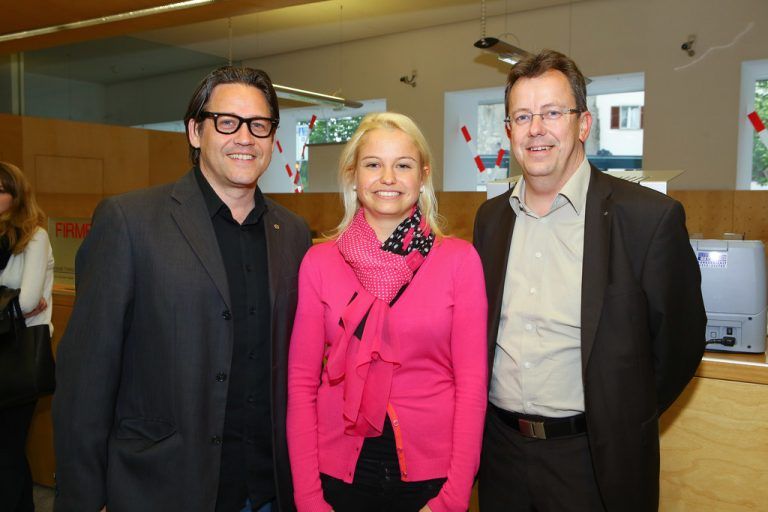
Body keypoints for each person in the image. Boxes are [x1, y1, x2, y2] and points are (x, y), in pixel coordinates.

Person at [53, 67, 312, 512]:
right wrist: (82, 497)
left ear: (273, 137)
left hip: (268, 487)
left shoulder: (293, 233)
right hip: (160, 486)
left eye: (259, 125)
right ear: (195, 131)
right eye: (226, 122)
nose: (245, 138)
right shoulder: (130, 222)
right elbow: (86, 382)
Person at [473, 50, 706, 512]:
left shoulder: (647, 219)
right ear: (509, 131)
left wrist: (620, 413)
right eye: (522, 116)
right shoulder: (489, 219)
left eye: (552, 112)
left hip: (593, 461)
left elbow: (679, 345)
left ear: (583, 124)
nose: (536, 128)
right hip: (499, 453)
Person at [286, 112, 487, 512]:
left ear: (423, 175)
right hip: (336, 474)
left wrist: (452, 499)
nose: (388, 178)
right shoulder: (319, 262)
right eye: (373, 164)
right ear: (353, 174)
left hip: (431, 477)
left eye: (403, 165)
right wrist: (308, 499)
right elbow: (301, 384)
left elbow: (472, 387)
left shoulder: (459, 261)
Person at [0, 161, 54, 512]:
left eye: (2, 189)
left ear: (17, 196)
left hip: (20, 355)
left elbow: (31, 300)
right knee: (7, 453)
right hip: (6, 342)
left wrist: (16, 304)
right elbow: (18, 304)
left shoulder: (34, 235)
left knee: (7, 449)